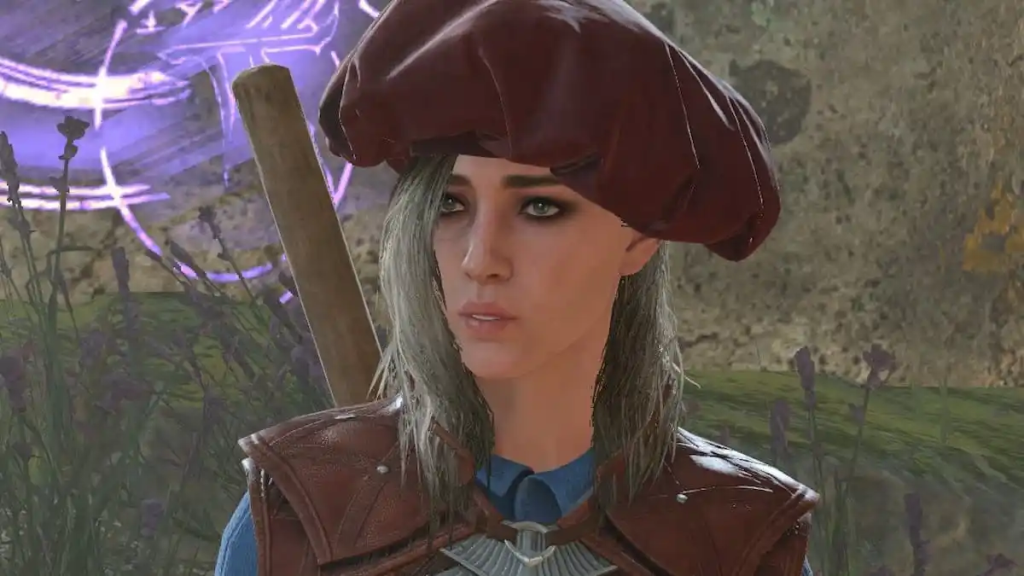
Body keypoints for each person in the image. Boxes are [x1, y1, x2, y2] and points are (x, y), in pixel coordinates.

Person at [215, 0, 819, 575]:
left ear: (638, 238)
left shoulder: (738, 542)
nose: (480, 259)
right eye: (450, 204)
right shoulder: (301, 519)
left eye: (539, 208)